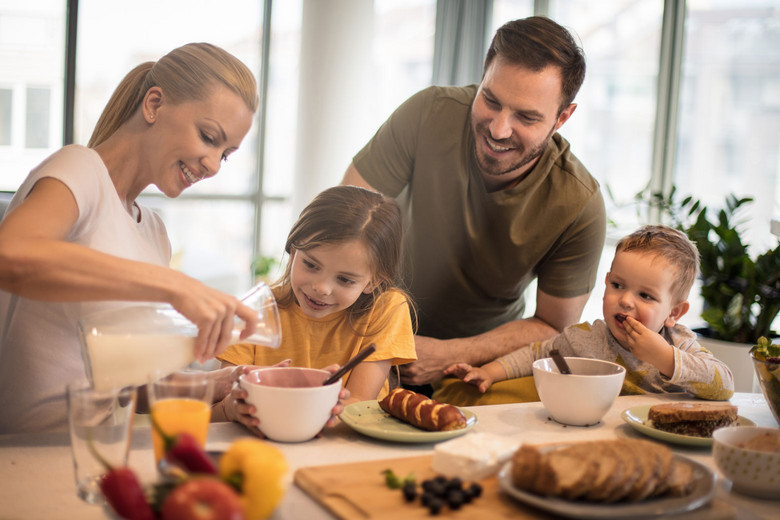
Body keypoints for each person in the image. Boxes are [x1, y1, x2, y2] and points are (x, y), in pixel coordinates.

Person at [0, 43, 344, 435]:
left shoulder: (153, 232)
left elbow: (131, 384)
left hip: (98, 451)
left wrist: (225, 387)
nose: (214, 165)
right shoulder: (79, 169)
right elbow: (11, 254)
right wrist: (176, 286)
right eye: (208, 137)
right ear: (154, 104)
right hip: (25, 453)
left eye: (226, 154)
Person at [341, 16, 606, 404]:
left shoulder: (578, 203)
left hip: (477, 367)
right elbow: (344, 220)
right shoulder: (428, 112)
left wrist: (452, 354)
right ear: (481, 78)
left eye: (527, 117)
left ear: (562, 118)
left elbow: (554, 325)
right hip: (371, 333)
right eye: (491, 100)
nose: (498, 129)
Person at [445, 225, 735, 401]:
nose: (625, 301)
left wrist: (664, 358)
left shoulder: (678, 344)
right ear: (606, 281)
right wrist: (489, 372)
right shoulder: (585, 338)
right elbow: (537, 354)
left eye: (645, 295)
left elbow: (725, 385)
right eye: (618, 285)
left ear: (673, 313)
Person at [218, 186, 417, 436]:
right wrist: (230, 408)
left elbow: (357, 405)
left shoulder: (387, 309)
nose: (321, 288)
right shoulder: (254, 310)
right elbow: (217, 406)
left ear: (373, 282)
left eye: (344, 280)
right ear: (292, 251)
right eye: (311, 264)